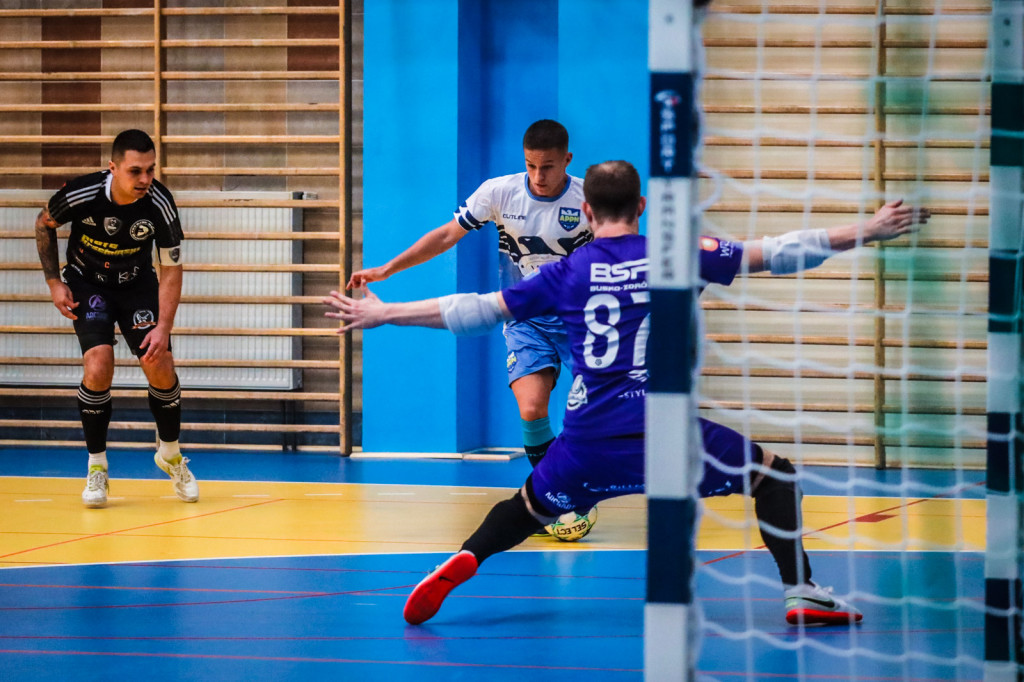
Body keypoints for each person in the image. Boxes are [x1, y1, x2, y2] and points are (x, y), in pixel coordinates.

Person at [324, 160, 930, 626]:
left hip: (589, 440)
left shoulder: (567, 271)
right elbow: (778, 253)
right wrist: (871, 229)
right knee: (775, 475)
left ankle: (466, 557)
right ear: (642, 205)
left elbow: (477, 310)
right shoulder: (678, 254)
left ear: (586, 213)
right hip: (670, 433)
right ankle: (802, 593)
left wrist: (387, 314)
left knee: (531, 508)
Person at [348, 119, 593, 478]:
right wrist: (388, 269)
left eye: (548, 167)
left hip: (580, 321)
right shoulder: (498, 192)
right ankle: (556, 493)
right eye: (531, 165)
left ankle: (579, 476)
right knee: (531, 408)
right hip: (525, 317)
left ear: (567, 159)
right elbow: (447, 235)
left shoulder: (587, 199)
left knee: (598, 412)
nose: (538, 176)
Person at [34, 129, 198, 509]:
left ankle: (170, 454)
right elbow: (44, 224)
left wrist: (164, 327)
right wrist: (54, 283)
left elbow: (172, 269)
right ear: (113, 168)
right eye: (135, 171)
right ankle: (97, 468)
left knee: (160, 364)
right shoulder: (82, 194)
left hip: (137, 284)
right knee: (98, 365)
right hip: (88, 283)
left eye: (150, 170)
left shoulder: (160, 203)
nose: (145, 180)